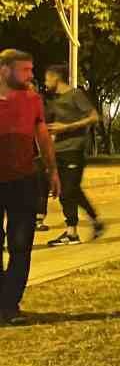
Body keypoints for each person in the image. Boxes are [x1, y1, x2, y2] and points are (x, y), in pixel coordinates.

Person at [0, 50, 59, 326]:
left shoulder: (33, 100)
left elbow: (43, 136)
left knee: (21, 246)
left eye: (31, 69)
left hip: (23, 180)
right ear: (4, 70)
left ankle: (10, 305)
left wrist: (52, 170)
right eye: (24, 70)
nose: (30, 75)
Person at [43, 65, 104, 246]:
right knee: (65, 191)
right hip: (58, 151)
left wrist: (68, 127)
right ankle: (72, 233)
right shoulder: (54, 100)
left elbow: (94, 117)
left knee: (70, 190)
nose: (45, 83)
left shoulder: (75, 95)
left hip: (74, 150)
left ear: (56, 78)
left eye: (47, 79)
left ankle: (93, 221)